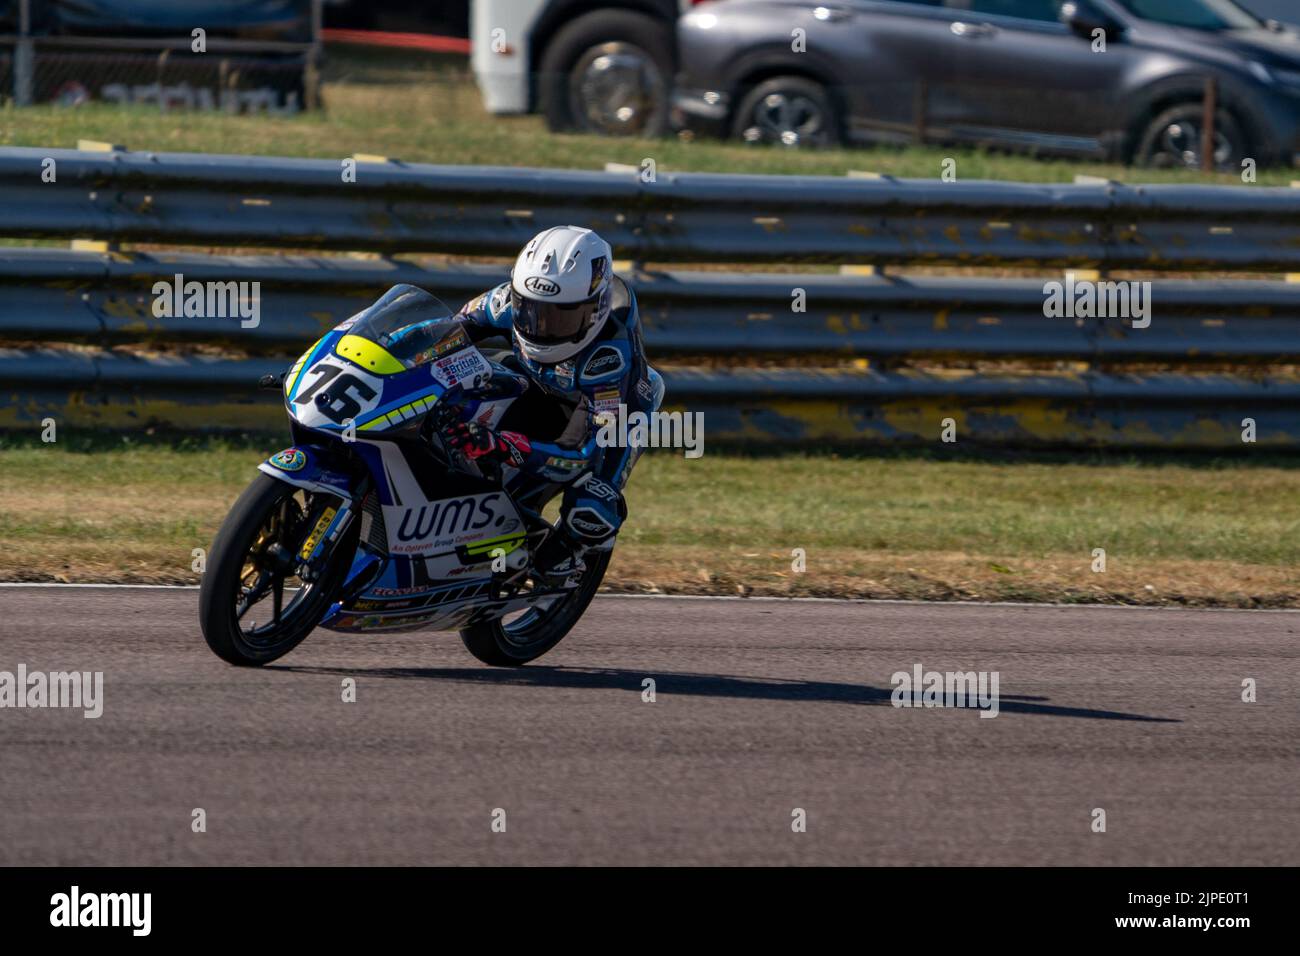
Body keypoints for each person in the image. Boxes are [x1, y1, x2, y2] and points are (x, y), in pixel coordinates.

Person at [444, 225, 664, 587]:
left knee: (593, 500)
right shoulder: (506, 302)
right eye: (529, 310)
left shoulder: (608, 360)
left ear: (595, 309)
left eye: (558, 317)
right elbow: (446, 332)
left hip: (606, 414)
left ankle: (567, 556)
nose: (538, 326)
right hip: (535, 383)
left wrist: (500, 445)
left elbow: (578, 455)